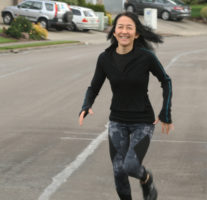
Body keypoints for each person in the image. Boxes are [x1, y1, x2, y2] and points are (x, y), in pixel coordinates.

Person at [78, 12, 173, 200]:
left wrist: (165, 113)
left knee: (130, 166)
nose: (124, 31)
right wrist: (86, 104)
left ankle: (146, 179)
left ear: (136, 34)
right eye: (120, 27)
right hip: (117, 121)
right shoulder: (105, 58)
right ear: (114, 32)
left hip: (142, 122)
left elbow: (166, 81)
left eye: (129, 28)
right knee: (118, 171)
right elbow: (94, 86)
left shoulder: (146, 57)